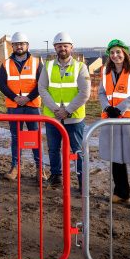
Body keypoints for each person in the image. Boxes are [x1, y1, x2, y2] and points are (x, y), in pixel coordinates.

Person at [97, 39, 130, 209]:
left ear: (125, 53)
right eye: (112, 53)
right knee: (116, 156)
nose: (115, 55)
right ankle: (121, 192)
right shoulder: (105, 70)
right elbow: (101, 92)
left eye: (118, 52)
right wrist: (107, 107)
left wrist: (119, 109)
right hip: (112, 118)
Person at [38, 32, 90, 189]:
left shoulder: (80, 67)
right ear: (55, 48)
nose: (62, 48)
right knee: (53, 149)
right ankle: (56, 176)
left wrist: (67, 110)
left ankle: (82, 182)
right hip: (53, 117)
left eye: (65, 46)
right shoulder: (47, 67)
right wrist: (55, 109)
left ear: (71, 47)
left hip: (74, 118)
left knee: (78, 151)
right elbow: (42, 88)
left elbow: (85, 92)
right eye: (59, 46)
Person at [0, 32, 45, 181]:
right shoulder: (6, 63)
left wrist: (28, 98)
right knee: (16, 137)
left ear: (27, 45)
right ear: (13, 46)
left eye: (22, 44)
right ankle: (15, 167)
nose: (19, 46)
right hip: (14, 106)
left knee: (35, 137)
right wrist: (16, 98)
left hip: (32, 106)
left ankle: (40, 169)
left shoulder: (37, 62)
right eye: (17, 44)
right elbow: (2, 84)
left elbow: (41, 84)